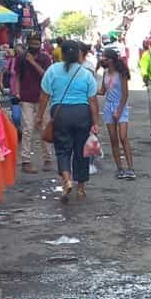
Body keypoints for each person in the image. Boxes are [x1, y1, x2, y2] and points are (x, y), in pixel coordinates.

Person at [37, 39, 100, 201]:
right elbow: (92, 100)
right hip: (82, 113)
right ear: (78, 54)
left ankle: (67, 180)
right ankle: (80, 189)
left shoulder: (52, 71)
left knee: (63, 150)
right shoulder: (85, 73)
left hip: (61, 114)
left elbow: (44, 96)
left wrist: (39, 116)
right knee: (81, 151)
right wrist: (95, 122)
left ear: (62, 54)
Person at [16, 32, 53, 173]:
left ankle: (48, 159)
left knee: (44, 128)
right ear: (28, 43)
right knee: (27, 129)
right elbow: (18, 76)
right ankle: (26, 160)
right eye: (32, 43)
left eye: (36, 43)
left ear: (40, 44)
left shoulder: (45, 58)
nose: (34, 46)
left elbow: (46, 76)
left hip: (43, 98)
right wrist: (17, 92)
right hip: (26, 98)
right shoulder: (21, 58)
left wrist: (32, 62)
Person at [99, 47, 135, 179]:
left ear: (111, 60)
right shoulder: (105, 73)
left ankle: (131, 168)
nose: (102, 60)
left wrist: (119, 111)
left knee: (123, 138)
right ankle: (120, 168)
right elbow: (102, 91)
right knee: (113, 140)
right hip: (108, 107)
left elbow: (125, 94)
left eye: (105, 58)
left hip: (121, 106)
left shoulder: (121, 74)